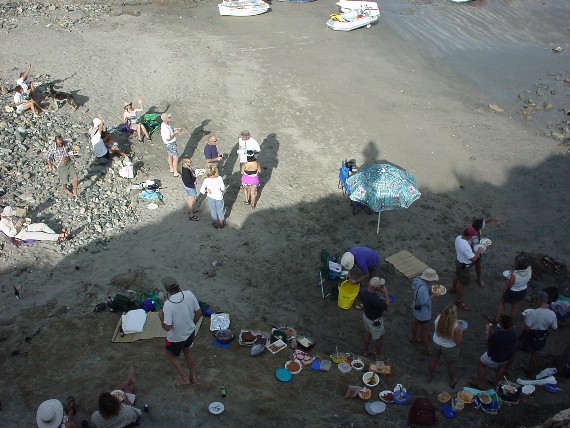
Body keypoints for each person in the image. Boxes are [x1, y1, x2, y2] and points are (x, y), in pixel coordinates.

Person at [158, 277, 201, 386]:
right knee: (188, 350)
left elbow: (167, 327)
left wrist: (161, 318)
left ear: (167, 290)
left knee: (169, 353)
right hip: (190, 332)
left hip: (176, 337)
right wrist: (193, 324)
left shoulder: (168, 304)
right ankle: (193, 376)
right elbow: (198, 312)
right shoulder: (189, 294)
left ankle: (184, 378)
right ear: (178, 285)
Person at [470, 315, 516, 389]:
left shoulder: (497, 335)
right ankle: (495, 382)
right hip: (507, 356)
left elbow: (488, 342)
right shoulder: (513, 332)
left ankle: (480, 384)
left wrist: (487, 331)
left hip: (495, 356)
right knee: (502, 366)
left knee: (481, 363)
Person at [427, 304, 465, 388]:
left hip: (436, 342)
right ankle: (452, 380)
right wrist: (461, 332)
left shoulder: (438, 318)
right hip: (449, 347)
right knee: (450, 365)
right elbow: (458, 342)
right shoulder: (456, 327)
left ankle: (429, 376)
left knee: (433, 360)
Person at [520, 291, 557, 375]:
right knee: (534, 353)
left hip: (530, 336)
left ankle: (504, 367)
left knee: (516, 348)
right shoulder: (552, 314)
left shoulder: (533, 313)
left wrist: (525, 320)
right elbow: (555, 329)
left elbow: (527, 328)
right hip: (541, 338)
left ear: (539, 300)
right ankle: (530, 370)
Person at [450, 226, 485, 310]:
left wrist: (470, 243)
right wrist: (479, 251)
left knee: (457, 275)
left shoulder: (458, 238)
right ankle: (459, 301)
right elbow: (473, 259)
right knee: (462, 284)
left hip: (458, 262)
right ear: (469, 236)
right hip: (465, 266)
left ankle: (453, 288)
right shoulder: (465, 246)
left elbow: (466, 244)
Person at [410, 268, 440, 355]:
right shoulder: (423, 289)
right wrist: (434, 295)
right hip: (423, 313)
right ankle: (427, 349)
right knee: (424, 331)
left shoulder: (418, 280)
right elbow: (424, 302)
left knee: (415, 322)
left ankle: (414, 338)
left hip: (416, 307)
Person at [1, 206, 70, 242]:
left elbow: (19, 221)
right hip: (21, 234)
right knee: (40, 235)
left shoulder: (10, 217)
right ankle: (61, 236)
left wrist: (22, 221)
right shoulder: (2, 224)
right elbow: (10, 234)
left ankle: (58, 237)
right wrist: (16, 225)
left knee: (42, 225)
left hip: (25, 227)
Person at [359, 277, 390, 357]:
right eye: (381, 286)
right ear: (376, 288)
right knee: (379, 338)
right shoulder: (374, 298)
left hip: (366, 316)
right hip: (375, 320)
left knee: (368, 333)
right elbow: (387, 307)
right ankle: (379, 354)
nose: (382, 287)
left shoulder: (363, 291)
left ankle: (365, 351)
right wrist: (386, 294)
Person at [496, 255, 531, 321]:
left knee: (502, 302)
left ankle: (497, 318)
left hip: (513, 292)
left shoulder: (513, 276)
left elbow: (508, 286)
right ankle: (511, 321)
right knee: (515, 305)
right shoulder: (529, 270)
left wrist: (507, 279)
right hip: (523, 290)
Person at [470, 216, 502, 287]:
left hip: (476, 250)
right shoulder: (474, 237)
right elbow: (473, 247)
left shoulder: (476, 227)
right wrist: (482, 248)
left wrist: (494, 219)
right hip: (472, 253)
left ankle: (479, 278)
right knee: (472, 265)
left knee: (478, 266)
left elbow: (485, 220)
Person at [46, 135, 79, 199]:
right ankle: (65, 188)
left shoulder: (66, 143)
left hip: (69, 163)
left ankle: (75, 191)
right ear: (55, 142)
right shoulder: (52, 148)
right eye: (59, 143)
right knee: (65, 180)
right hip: (61, 166)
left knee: (75, 177)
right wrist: (50, 166)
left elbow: (70, 149)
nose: (61, 144)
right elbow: (48, 157)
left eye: (61, 142)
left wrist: (73, 151)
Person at [181, 157, 199, 221]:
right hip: (190, 186)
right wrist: (195, 177)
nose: (190, 163)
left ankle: (190, 210)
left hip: (187, 186)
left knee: (189, 199)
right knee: (191, 200)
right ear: (185, 162)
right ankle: (191, 215)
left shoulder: (185, 168)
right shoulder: (186, 171)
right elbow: (189, 180)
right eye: (189, 162)